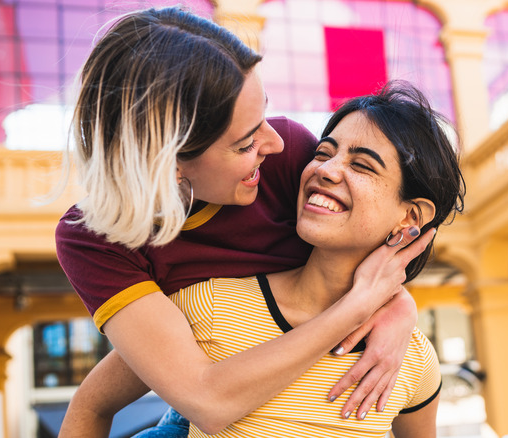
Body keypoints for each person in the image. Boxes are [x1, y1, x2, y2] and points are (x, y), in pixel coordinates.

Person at [55, 7, 433, 436]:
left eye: (264, 116)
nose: (272, 142)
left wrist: (398, 302)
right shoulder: (95, 239)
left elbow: (367, 235)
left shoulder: (287, 154)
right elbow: (205, 400)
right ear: (170, 162)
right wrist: (358, 307)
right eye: (245, 142)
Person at [168, 81, 465, 436]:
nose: (325, 169)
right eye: (323, 153)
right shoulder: (207, 303)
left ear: (411, 217)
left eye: (363, 166)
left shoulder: (413, 361)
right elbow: (94, 405)